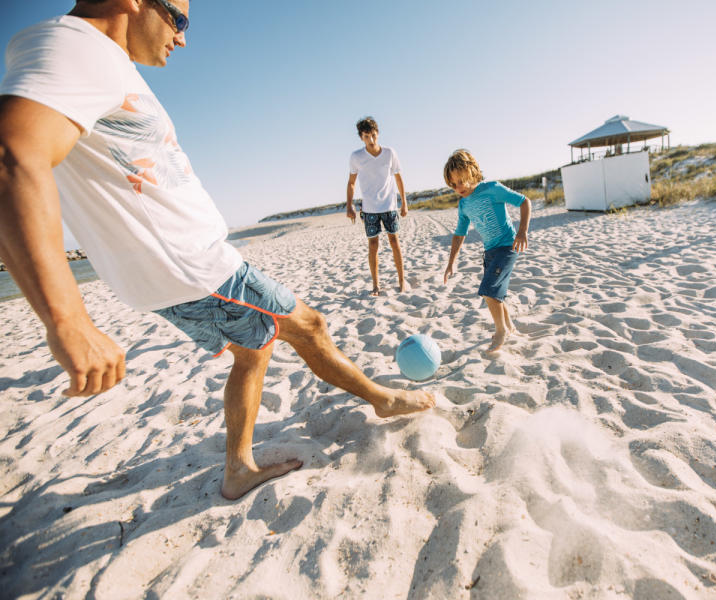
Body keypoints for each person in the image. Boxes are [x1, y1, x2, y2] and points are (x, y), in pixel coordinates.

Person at [0, 0, 434, 501]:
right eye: (178, 19)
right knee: (308, 326)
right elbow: (14, 155)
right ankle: (382, 400)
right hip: (195, 268)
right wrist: (67, 319)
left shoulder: (94, 58)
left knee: (254, 349)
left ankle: (238, 468)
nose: (182, 38)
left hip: (178, 269)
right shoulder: (77, 46)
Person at [442, 149, 531, 353]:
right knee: (494, 294)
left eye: (461, 181)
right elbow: (459, 234)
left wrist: (522, 232)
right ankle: (509, 326)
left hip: (508, 246)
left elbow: (525, 201)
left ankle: (500, 331)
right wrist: (451, 262)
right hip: (489, 251)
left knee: (488, 289)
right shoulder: (463, 204)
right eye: (453, 184)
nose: (458, 187)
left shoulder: (492, 188)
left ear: (472, 172)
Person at [345, 117, 408, 296]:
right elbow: (351, 183)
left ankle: (402, 281)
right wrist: (349, 206)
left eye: (373, 135)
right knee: (373, 246)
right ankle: (375, 285)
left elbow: (398, 177)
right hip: (370, 208)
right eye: (366, 136)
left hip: (389, 206)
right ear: (361, 138)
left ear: (378, 133)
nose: (371, 140)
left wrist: (404, 202)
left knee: (395, 243)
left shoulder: (389, 153)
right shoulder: (356, 157)